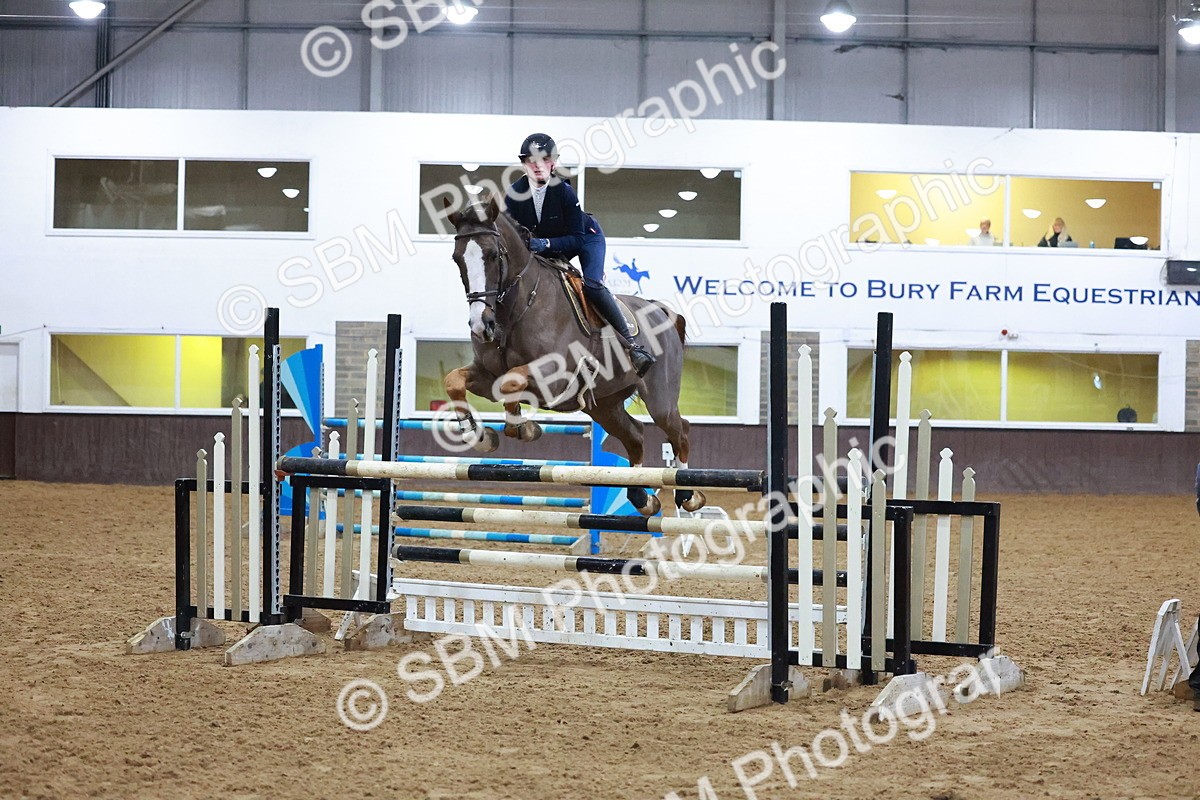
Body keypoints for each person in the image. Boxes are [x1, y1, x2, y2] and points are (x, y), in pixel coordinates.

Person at [504, 133, 655, 376]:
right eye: (532, 161)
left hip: (585, 239)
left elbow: (577, 238)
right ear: (524, 164)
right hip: (545, 246)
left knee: (592, 285)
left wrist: (544, 243)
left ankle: (632, 345)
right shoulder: (513, 194)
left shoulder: (564, 193)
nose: (538, 165)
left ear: (553, 164)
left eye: (545, 160)